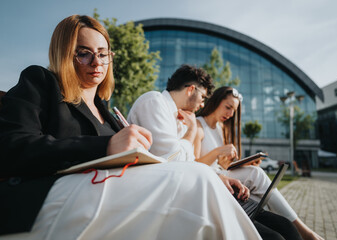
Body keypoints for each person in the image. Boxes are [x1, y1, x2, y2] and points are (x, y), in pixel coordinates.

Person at [0, 15, 261, 239]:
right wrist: (107, 146)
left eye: (103, 54)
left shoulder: (107, 111)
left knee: (202, 189)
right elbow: (10, 147)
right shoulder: (41, 81)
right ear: (64, 54)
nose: (97, 62)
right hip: (43, 198)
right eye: (84, 53)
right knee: (198, 182)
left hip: (104, 192)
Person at [127, 65, 302, 240]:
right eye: (202, 97)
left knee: (284, 227)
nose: (202, 104)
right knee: (275, 236)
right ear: (191, 90)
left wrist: (221, 176)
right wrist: (192, 131)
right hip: (174, 194)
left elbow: (189, 163)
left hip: (193, 188)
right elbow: (174, 160)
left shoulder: (180, 118)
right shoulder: (154, 101)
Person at [195, 86, 324, 240]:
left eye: (233, 110)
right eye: (228, 107)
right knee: (256, 175)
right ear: (215, 101)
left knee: (255, 177)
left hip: (222, 174)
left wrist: (241, 163)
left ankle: (285, 226)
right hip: (209, 177)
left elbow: (222, 164)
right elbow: (195, 164)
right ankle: (304, 231)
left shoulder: (220, 128)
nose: (230, 114)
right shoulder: (198, 125)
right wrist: (217, 152)